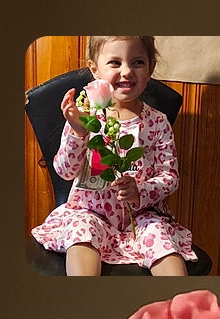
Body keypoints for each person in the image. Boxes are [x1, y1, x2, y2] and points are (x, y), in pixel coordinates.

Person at [31, 36, 196, 276]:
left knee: (162, 242)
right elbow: (65, 171)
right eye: (115, 63)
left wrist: (141, 191)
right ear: (94, 69)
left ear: (151, 68)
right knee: (81, 233)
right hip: (90, 213)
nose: (127, 71)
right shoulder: (85, 118)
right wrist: (78, 132)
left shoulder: (157, 122)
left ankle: (178, 306)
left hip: (141, 218)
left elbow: (169, 177)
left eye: (137, 62)